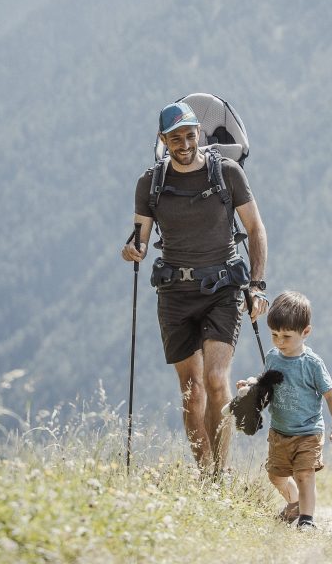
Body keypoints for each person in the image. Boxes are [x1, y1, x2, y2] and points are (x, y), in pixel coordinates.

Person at [122, 100, 269, 473]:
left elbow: (255, 230)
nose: (184, 144)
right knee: (192, 394)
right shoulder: (150, 183)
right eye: (176, 138)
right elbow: (141, 237)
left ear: (199, 133)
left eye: (190, 135)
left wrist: (256, 285)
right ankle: (205, 476)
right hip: (174, 295)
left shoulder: (228, 174)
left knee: (217, 380)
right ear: (163, 140)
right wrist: (133, 250)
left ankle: (220, 475)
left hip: (222, 290)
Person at [246, 291, 332, 531]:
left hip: (308, 432)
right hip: (279, 431)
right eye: (274, 335)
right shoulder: (272, 357)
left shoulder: (311, 364)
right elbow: (266, 383)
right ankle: (294, 503)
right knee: (276, 476)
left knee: (304, 474)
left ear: (305, 333)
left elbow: (331, 395)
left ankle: (307, 520)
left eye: (286, 336)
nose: (279, 341)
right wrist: (251, 384)